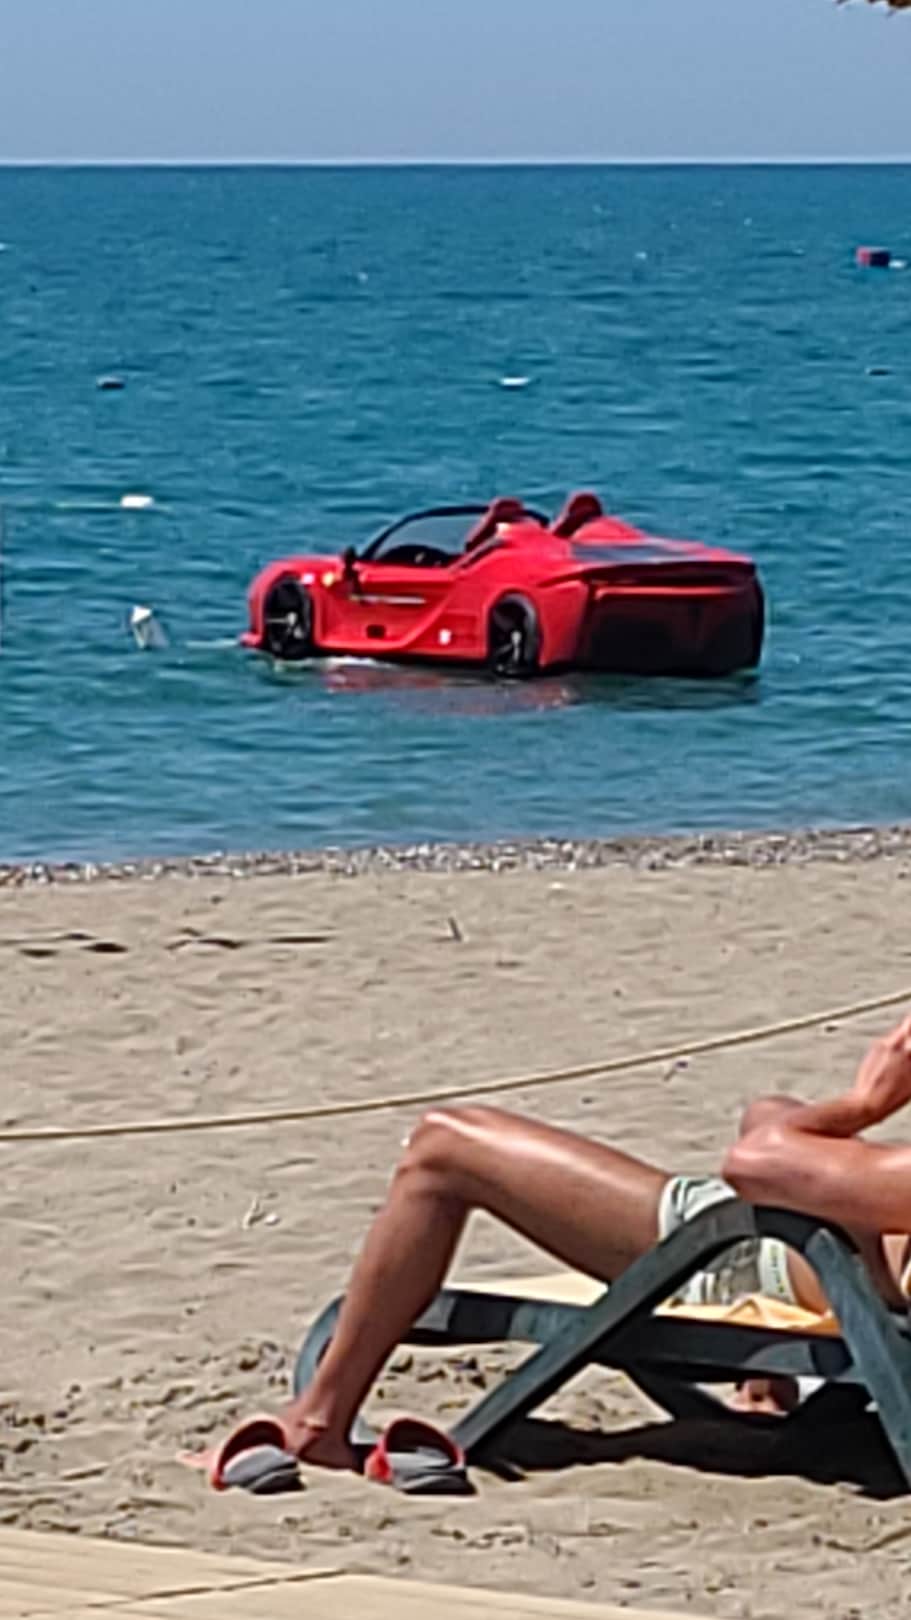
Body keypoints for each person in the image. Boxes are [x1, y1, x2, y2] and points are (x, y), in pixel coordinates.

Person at [212, 1014, 911, 1474]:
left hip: (735, 1254)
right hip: (818, 1252)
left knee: (443, 1146)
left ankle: (317, 1423)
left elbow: (753, 1166)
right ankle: (765, 1387)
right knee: (769, 1110)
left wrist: (865, 1104)